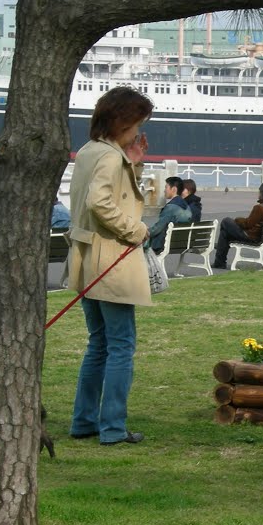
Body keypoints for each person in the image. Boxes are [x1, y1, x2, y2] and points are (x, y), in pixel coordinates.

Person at [67, 86, 154, 446]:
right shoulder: (108, 156)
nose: (139, 132)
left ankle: (85, 420)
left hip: (86, 257)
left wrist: (134, 161)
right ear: (123, 121)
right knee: (120, 345)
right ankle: (113, 427)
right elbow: (100, 202)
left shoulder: (90, 151)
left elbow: (103, 196)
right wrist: (136, 230)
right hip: (111, 258)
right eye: (137, 124)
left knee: (99, 343)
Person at [212, 181, 263, 269]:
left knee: (226, 221)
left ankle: (220, 253)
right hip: (262, 236)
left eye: (259, 191)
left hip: (252, 237)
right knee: (225, 234)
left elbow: (247, 224)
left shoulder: (259, 208)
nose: (258, 193)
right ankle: (219, 259)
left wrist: (237, 220)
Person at [147, 176, 192, 252]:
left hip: (163, 244)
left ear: (174, 189)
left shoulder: (171, 207)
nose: (164, 191)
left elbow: (157, 229)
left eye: (166, 188)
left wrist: (145, 232)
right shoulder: (187, 207)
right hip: (182, 243)